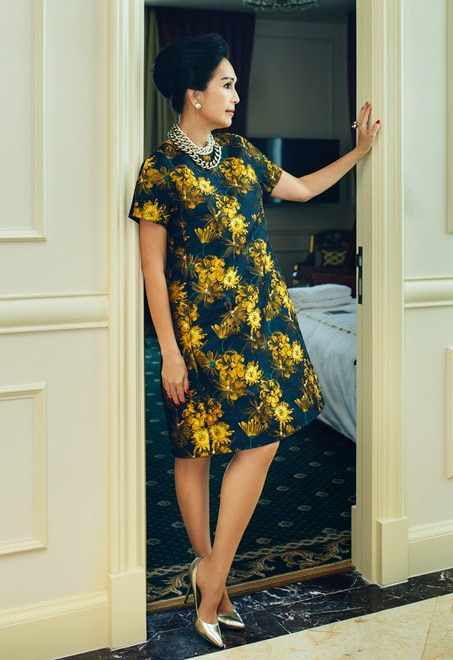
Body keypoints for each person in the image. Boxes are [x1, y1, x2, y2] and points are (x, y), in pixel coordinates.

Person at [128, 33, 380, 648]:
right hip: (201, 338)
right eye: (227, 84)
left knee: (262, 444)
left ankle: (210, 577)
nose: (237, 96)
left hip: (262, 326)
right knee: (195, 450)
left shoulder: (240, 153)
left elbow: (304, 189)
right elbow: (152, 270)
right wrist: (169, 351)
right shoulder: (160, 170)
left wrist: (358, 151)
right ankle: (211, 580)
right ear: (194, 94)